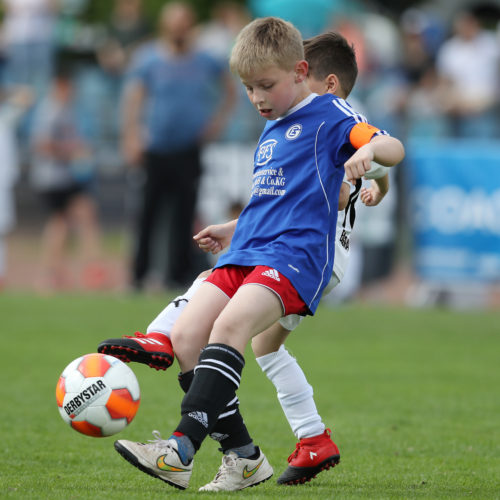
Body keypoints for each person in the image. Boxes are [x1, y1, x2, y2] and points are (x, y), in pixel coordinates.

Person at [106, 19, 404, 491]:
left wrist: (372, 159)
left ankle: (179, 450)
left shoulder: (329, 113)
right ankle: (243, 456)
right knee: (189, 338)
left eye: (265, 85)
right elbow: (272, 203)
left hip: (294, 257)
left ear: (301, 73)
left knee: (230, 328)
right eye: (248, 88)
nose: (257, 98)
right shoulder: (271, 132)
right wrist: (232, 228)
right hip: (247, 249)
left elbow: (390, 145)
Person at [122, 1, 236, 290]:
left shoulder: (204, 60)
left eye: (183, 24)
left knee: (185, 213)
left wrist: (216, 123)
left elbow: (230, 89)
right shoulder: (149, 59)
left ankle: (177, 274)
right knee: (149, 212)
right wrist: (132, 136)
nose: (179, 30)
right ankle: (139, 274)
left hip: (188, 148)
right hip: (157, 147)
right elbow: (134, 98)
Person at [29, 61, 106, 292]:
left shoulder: (65, 109)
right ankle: (76, 270)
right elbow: (41, 144)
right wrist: (71, 151)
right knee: (71, 219)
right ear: (60, 86)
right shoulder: (50, 110)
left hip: (65, 177)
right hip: (54, 178)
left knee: (69, 220)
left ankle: (60, 272)